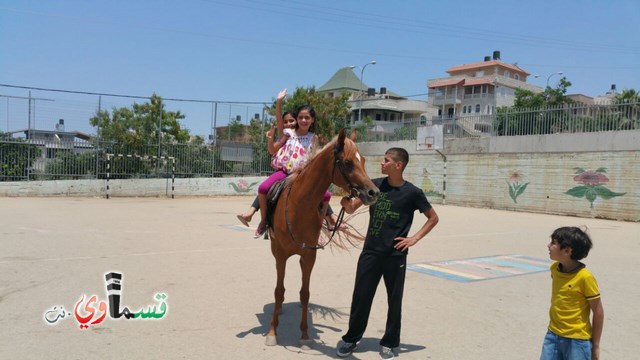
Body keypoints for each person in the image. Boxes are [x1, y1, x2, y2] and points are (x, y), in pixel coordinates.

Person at [336, 147, 439, 360]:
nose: (382, 163)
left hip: (395, 256)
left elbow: (433, 218)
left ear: (398, 165)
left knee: (394, 300)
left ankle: (390, 342)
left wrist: (414, 238)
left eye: (386, 160)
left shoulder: (413, 193)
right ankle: (351, 338)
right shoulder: (376, 185)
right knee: (361, 297)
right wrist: (346, 204)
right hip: (371, 252)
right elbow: (352, 207)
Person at [254, 100, 331, 238]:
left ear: (312, 120)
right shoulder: (289, 133)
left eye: (307, 117)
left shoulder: (313, 138)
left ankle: (319, 226)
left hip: (304, 175)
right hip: (285, 172)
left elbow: (313, 157)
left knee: (326, 195)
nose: (303, 120)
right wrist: (278, 103)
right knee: (263, 188)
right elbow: (273, 149)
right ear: (296, 119)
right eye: (300, 117)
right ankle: (264, 221)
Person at [540, 226, 604, 360]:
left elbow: (598, 310)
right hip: (553, 335)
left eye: (553, 243)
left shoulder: (585, 278)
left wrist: (596, 346)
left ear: (567, 251)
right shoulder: (554, 269)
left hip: (577, 340)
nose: (548, 245)